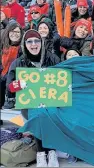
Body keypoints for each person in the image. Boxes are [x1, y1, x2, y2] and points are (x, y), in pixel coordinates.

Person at [5, 30, 60, 167]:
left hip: (51, 101)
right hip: (29, 104)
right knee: (36, 116)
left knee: (48, 114)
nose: (33, 44)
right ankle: (41, 153)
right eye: (29, 41)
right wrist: (19, 84)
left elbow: (63, 79)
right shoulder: (18, 63)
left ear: (41, 43)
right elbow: (9, 87)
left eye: (36, 41)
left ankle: (52, 152)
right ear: (24, 44)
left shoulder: (53, 58)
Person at [1, 22, 23, 108]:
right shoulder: (3, 46)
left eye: (17, 32)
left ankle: (11, 99)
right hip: (3, 74)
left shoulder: (23, 47)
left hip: (17, 76)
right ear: (8, 33)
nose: (15, 34)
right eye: (12, 31)